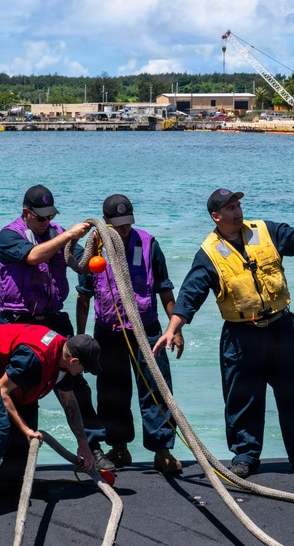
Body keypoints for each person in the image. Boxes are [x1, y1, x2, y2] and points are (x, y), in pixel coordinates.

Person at [153, 189, 294, 479]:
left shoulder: (265, 231)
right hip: (241, 336)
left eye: (238, 205)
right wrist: (173, 328)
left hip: (281, 328)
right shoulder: (208, 252)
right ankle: (245, 457)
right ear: (216, 216)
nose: (237, 211)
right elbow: (190, 294)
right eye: (230, 207)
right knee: (242, 398)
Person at [0, 324, 101, 532]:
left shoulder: (63, 358)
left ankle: (11, 484)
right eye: (84, 369)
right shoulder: (35, 358)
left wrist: (83, 443)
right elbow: (3, 391)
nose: (83, 373)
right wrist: (24, 429)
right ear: (74, 361)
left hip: (4, 368)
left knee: (28, 416)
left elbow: (69, 403)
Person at [0, 185, 106, 465]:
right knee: (19, 386)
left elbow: (80, 261)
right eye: (40, 218)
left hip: (52, 317)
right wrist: (68, 234)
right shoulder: (9, 235)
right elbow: (33, 256)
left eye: (50, 217)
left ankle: (92, 446)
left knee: (76, 380)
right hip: (19, 321)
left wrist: (97, 249)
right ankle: (14, 458)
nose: (46, 222)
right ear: (26, 213)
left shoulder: (57, 233)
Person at [75, 194, 181, 474]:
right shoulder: (94, 249)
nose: (123, 228)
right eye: (117, 224)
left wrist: (175, 327)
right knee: (112, 392)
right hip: (108, 332)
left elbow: (165, 287)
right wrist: (80, 338)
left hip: (146, 330)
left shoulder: (148, 244)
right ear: (105, 221)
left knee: (156, 388)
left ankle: (162, 450)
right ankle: (119, 448)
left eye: (127, 223)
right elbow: (84, 296)